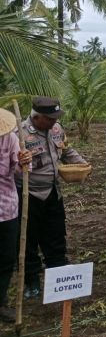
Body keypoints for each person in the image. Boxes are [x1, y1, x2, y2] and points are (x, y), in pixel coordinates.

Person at [16, 97, 88, 298]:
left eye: (56, 118)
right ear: (37, 117)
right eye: (50, 119)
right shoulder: (19, 133)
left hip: (53, 191)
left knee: (56, 235)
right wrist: (19, 162)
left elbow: (66, 150)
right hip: (28, 194)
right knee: (28, 240)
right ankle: (31, 281)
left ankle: (58, 276)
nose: (54, 122)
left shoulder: (56, 129)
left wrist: (82, 163)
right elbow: (8, 167)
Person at [1, 109, 32, 321]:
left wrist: (25, 161)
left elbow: (21, 170)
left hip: (7, 208)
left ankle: (1, 302)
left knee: (6, 258)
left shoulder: (9, 138)